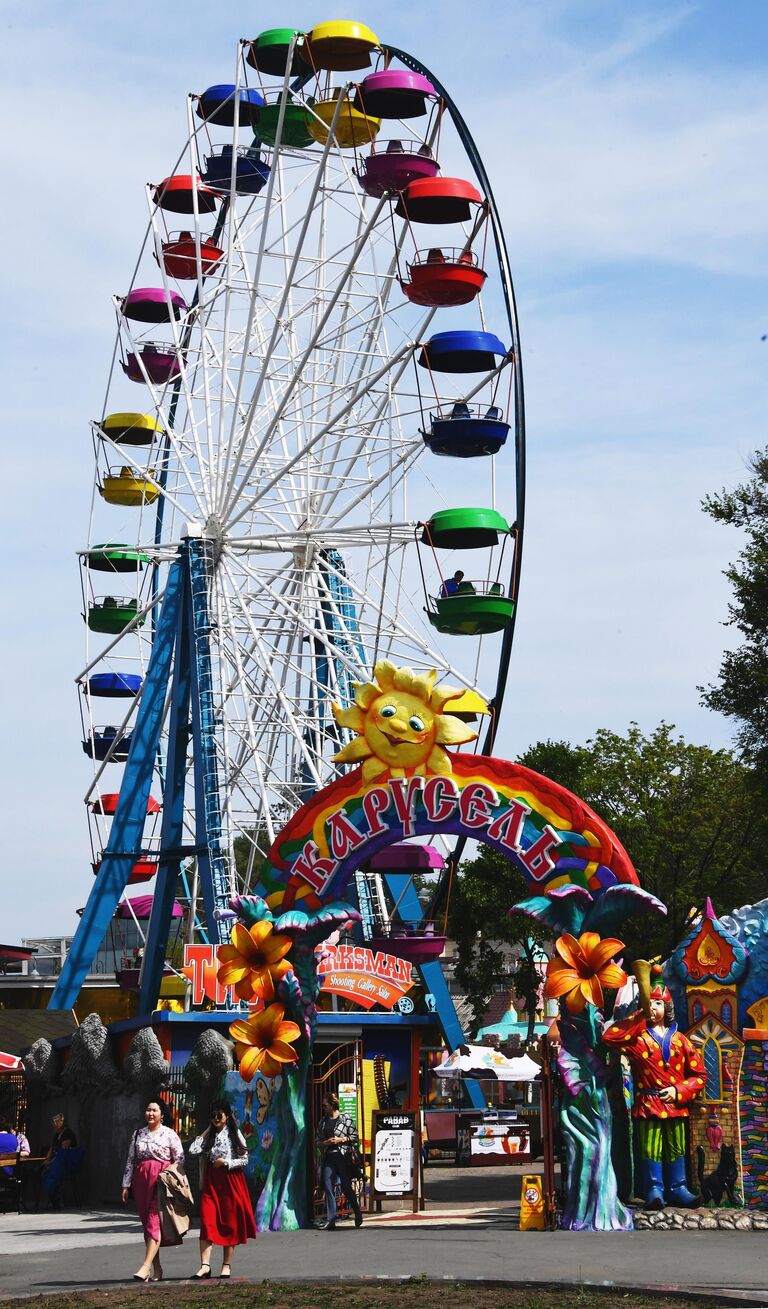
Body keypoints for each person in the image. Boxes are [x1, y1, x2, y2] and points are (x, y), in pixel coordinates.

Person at [603, 973, 705, 1208]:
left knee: (676, 1147)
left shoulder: (680, 1040)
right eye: (650, 1003)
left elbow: (699, 1076)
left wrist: (679, 1091)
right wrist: (639, 1016)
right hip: (648, 1104)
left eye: (658, 1003)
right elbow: (610, 1037)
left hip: (675, 1106)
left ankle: (678, 1188)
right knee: (651, 1147)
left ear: (667, 1007)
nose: (654, 1008)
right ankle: (654, 1189)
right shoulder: (638, 1039)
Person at [188, 1100, 255, 1279]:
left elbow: (244, 1158)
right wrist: (208, 1130)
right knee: (207, 1220)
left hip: (230, 1181)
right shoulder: (209, 1135)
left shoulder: (235, 1133)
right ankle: (205, 1266)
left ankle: (226, 1264)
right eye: (213, 1115)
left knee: (229, 1223)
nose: (216, 1118)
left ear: (227, 1116)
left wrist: (226, 1162)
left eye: (219, 1115)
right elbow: (193, 1150)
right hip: (211, 1182)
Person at [121, 1100, 185, 1282]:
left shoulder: (170, 1134)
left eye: (154, 1110)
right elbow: (130, 1161)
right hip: (141, 1181)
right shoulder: (137, 1134)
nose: (150, 1113)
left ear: (161, 1114)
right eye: (148, 1110)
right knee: (147, 1225)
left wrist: (170, 1177)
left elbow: (180, 1159)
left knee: (154, 1219)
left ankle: (145, 1266)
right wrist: (126, 1185)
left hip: (161, 1181)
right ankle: (156, 1269)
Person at [316, 1093, 362, 1230]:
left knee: (346, 1188)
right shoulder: (323, 1122)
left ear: (332, 1104)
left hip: (343, 1157)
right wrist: (326, 1142)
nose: (323, 1108)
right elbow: (317, 1141)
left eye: (325, 1105)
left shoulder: (345, 1118)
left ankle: (357, 1212)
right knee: (328, 1186)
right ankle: (331, 1220)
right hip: (329, 1157)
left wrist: (340, 1140)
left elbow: (354, 1137)